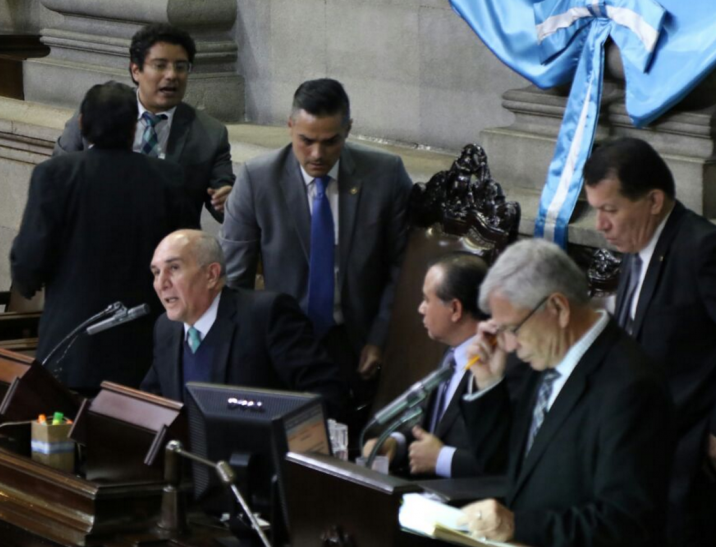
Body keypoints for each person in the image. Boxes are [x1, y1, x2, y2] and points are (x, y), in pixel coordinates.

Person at [459, 239, 673, 547]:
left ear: (557, 308)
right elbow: (508, 467)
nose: (505, 343)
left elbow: (623, 522)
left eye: (512, 329)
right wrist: (489, 383)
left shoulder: (630, 385)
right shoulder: (544, 358)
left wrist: (518, 526)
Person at [219, 78, 411, 418]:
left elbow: (402, 267)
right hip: (283, 337)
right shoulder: (257, 179)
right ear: (290, 126)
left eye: (330, 141)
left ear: (348, 130)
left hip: (356, 337)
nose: (317, 154)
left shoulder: (385, 176)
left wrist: (380, 338)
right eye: (306, 141)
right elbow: (235, 278)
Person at [584, 137, 716, 547]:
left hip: (689, 458)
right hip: (641, 448)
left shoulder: (701, 248)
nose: (600, 225)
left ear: (654, 200)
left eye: (610, 210)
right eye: (596, 210)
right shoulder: (636, 246)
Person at [11, 82, 187, 395]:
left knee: (66, 438)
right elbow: (184, 260)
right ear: (134, 128)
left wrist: (27, 283)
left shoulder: (53, 175)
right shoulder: (169, 178)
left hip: (72, 345)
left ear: (81, 125)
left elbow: (29, 258)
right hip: (146, 348)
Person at [141, 229, 348, 419]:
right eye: (156, 272)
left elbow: (326, 396)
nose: (161, 284)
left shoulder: (267, 315)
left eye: (174, 268)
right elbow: (150, 403)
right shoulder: (166, 329)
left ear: (211, 275)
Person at [53, 23, 234, 228]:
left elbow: (226, 205)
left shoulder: (209, 133)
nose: (172, 75)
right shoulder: (98, 112)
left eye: (181, 67)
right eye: (160, 65)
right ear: (136, 70)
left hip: (168, 252)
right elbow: (57, 178)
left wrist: (230, 202)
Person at [371, 253, 489, 478]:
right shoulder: (452, 354)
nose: (421, 308)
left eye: (427, 299)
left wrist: (442, 459)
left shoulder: (496, 370)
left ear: (455, 309)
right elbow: (434, 430)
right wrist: (397, 444)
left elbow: (500, 463)